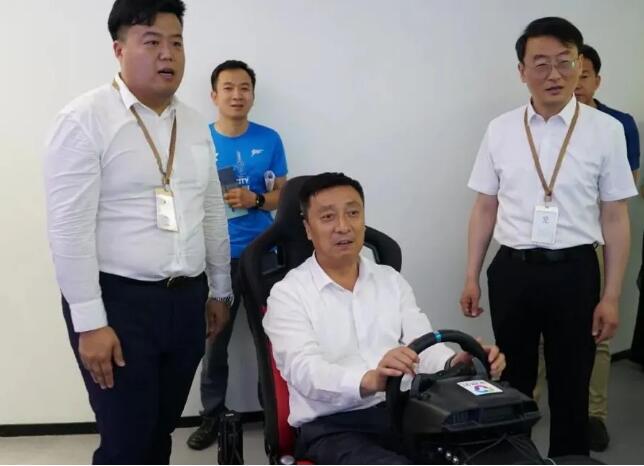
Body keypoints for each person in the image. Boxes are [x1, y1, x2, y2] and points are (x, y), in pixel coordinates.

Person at [43, 0, 233, 463]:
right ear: (119, 50)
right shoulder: (84, 119)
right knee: (126, 442)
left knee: (159, 431)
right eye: (152, 42)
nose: (168, 54)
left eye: (177, 43)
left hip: (186, 300)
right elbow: (69, 229)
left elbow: (210, 208)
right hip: (119, 304)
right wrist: (91, 324)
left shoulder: (194, 124)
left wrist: (219, 289)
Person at [459, 17, 637, 458]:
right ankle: (515, 456)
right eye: (541, 64)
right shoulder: (501, 129)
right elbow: (485, 206)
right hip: (512, 270)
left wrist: (612, 295)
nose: (554, 74)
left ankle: (569, 457)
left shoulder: (606, 131)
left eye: (564, 62)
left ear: (579, 65)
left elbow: (615, 216)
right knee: (512, 378)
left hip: (575, 271)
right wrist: (471, 275)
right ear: (522, 71)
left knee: (571, 379)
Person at [263, 172, 506, 464]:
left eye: (353, 213)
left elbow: (423, 346)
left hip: (405, 414)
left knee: (486, 454)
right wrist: (368, 380)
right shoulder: (288, 294)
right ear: (307, 228)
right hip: (333, 427)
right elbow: (305, 371)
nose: (343, 226)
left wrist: (456, 362)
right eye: (328, 217)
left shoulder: (390, 280)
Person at [187, 60, 288, 450]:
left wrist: (255, 199)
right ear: (214, 95)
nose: (236, 95)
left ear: (253, 95)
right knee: (215, 341)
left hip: (264, 254)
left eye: (244, 87)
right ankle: (212, 416)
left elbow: (284, 196)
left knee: (274, 340)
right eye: (228, 88)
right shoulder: (199, 140)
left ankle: (277, 416)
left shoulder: (270, 139)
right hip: (217, 257)